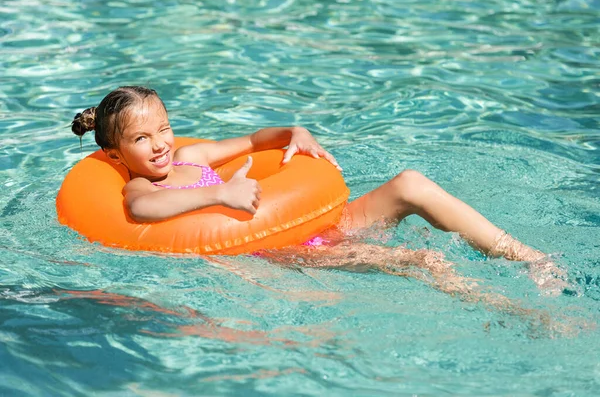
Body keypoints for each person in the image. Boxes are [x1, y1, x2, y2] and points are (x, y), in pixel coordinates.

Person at [71, 86, 567, 297]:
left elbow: (252, 141)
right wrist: (219, 197)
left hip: (311, 224)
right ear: (116, 154)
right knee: (423, 262)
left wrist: (294, 132)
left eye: (163, 129)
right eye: (141, 139)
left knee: (411, 183)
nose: (159, 146)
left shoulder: (190, 158)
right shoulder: (137, 184)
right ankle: (512, 311)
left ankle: (527, 257)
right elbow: (146, 208)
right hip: (284, 254)